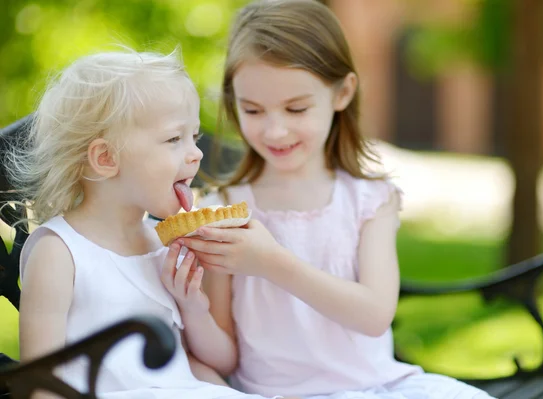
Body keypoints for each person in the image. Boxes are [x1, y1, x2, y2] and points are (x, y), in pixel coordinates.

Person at [178, 1, 495, 399]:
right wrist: (192, 305)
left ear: (342, 93)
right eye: (253, 109)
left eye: (296, 108)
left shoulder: (370, 200)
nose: (275, 131)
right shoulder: (224, 208)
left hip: (376, 387)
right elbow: (224, 359)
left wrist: (272, 262)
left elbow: (375, 314)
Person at [7, 47, 287, 399]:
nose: (196, 153)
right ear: (106, 158)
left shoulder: (165, 246)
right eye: (174, 139)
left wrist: (192, 307)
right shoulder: (59, 252)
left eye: (195, 137)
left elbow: (218, 363)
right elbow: (40, 384)